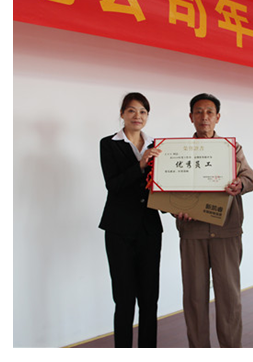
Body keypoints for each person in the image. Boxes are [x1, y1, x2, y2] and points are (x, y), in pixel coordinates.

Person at [176, 93, 253, 347]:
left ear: (217, 117)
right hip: (193, 232)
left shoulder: (232, 149)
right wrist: (177, 210)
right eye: (198, 112)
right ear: (191, 117)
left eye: (209, 112)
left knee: (229, 297)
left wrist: (240, 184)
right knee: (194, 298)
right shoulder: (177, 151)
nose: (204, 117)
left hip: (226, 231)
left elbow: (249, 178)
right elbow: (168, 188)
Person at [99, 92, 163, 347]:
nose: (138, 116)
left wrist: (178, 207)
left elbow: (164, 186)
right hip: (119, 229)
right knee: (124, 299)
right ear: (122, 114)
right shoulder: (108, 144)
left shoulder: (158, 145)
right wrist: (140, 166)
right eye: (132, 111)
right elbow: (113, 185)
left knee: (149, 299)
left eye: (143, 111)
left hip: (149, 229)